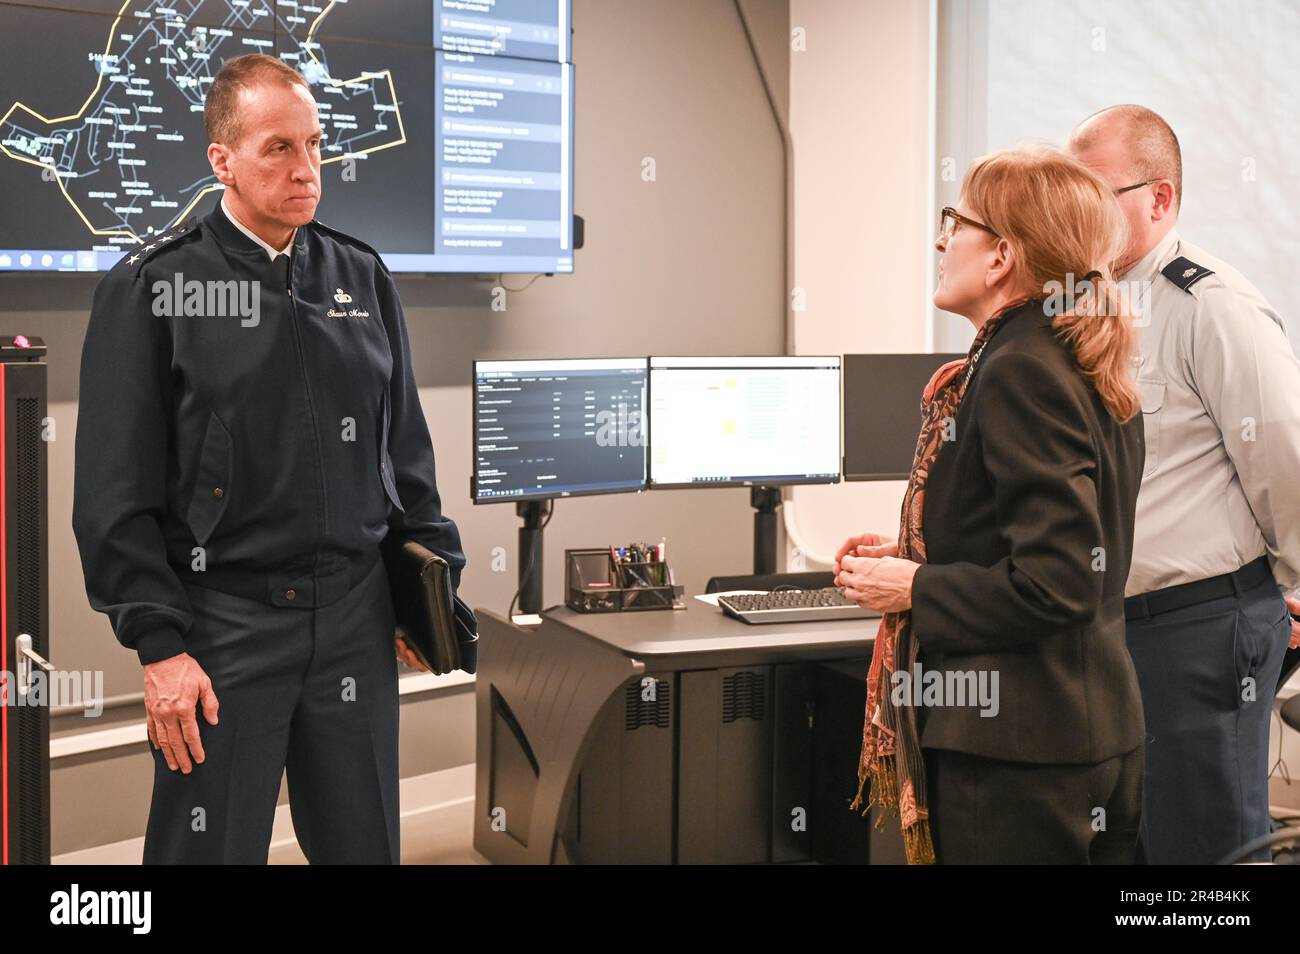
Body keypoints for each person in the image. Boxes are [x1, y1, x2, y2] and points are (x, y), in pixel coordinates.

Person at [71, 53, 467, 864]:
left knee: (365, 849)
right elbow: (113, 495)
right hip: (222, 630)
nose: (306, 169)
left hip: (354, 620)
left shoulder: (360, 275)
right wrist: (158, 646)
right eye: (278, 149)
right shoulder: (156, 286)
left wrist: (427, 582)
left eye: (315, 145)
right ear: (222, 160)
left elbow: (406, 452)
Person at [835, 146, 1145, 864]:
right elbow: (1038, 544)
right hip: (1087, 730)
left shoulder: (1017, 371)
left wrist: (915, 584)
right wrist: (917, 555)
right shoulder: (1075, 354)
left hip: (1018, 751)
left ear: (1002, 254)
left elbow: (1057, 580)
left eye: (956, 223)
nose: (943, 241)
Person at [1066, 105, 1300, 865]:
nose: (1080, 214)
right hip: (1112, 630)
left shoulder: (1210, 305)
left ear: (1159, 198)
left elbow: (1284, 456)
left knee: (1205, 855)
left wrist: (1294, 590)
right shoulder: (1082, 307)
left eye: (1097, 193)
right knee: (1134, 852)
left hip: (1199, 629)